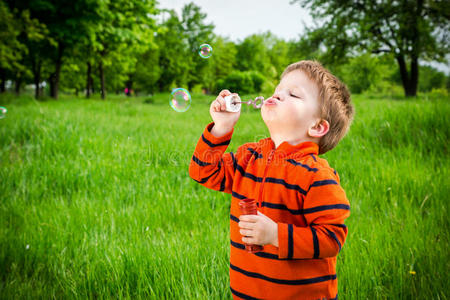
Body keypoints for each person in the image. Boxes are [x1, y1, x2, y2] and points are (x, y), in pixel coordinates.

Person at [189, 60, 354, 299]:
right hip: (247, 293)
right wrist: (221, 127)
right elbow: (203, 171)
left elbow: (332, 238)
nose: (278, 95)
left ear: (317, 126)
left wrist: (276, 235)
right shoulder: (249, 157)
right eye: (278, 90)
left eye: (293, 94)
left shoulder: (317, 176)